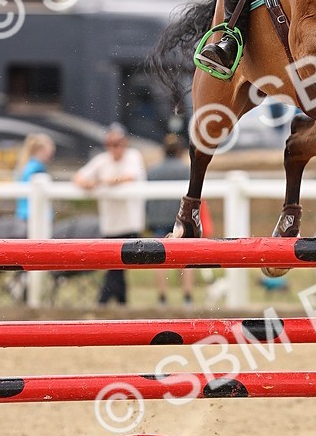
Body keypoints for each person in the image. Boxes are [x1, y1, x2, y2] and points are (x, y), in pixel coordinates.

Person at [73, 124, 146, 307]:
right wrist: (88, 184)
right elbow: (78, 177)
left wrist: (101, 182)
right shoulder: (101, 160)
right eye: (111, 143)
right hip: (110, 224)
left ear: (125, 143)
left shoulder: (133, 157)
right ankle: (121, 304)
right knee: (116, 267)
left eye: (118, 143)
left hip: (130, 223)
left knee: (117, 266)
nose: (114, 148)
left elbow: (129, 177)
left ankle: (103, 302)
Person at [145, 133, 195, 306]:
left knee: (160, 258)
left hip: (158, 218)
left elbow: (147, 197)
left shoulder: (153, 171)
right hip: (180, 220)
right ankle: (187, 297)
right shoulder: (187, 170)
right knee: (186, 258)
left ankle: (162, 297)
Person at [14, 134, 56, 224]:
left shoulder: (25, 166)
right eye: (50, 148)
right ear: (40, 150)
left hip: (24, 215)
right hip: (35, 216)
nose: (52, 151)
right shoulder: (37, 168)